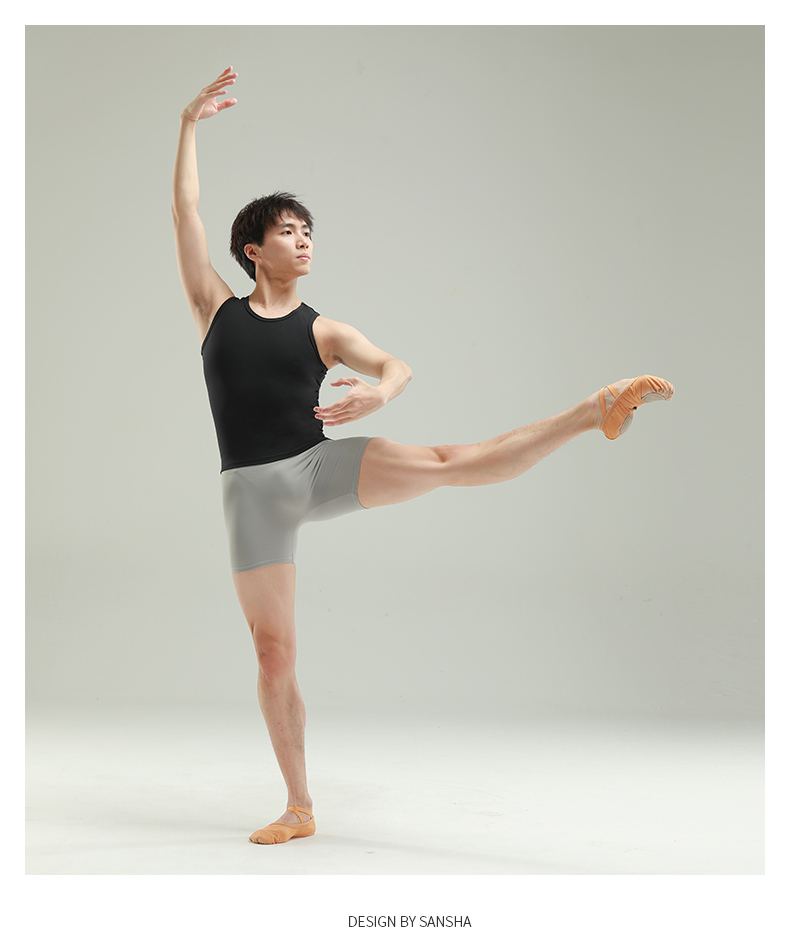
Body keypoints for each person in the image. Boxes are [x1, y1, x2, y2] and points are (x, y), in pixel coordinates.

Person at [171, 67, 674, 846]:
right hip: (252, 496)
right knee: (274, 657)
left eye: (309, 231)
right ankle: (299, 806)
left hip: (315, 467)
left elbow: (396, 365)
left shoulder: (323, 329)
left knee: (448, 461)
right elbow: (186, 211)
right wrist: (188, 125)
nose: (304, 240)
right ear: (253, 250)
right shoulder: (215, 310)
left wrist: (380, 394)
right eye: (289, 231)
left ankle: (591, 411)